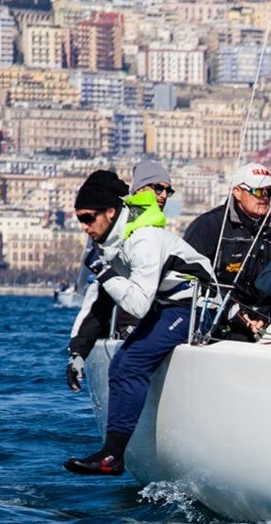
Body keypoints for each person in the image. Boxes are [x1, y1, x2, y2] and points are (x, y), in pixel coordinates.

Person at [63, 169, 215, 476]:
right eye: (79, 219)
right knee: (121, 364)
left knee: (129, 363)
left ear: (109, 212)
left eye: (88, 218)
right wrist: (77, 351)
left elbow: (137, 304)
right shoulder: (109, 242)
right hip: (169, 306)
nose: (84, 227)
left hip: (198, 306)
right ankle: (113, 453)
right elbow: (100, 301)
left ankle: (112, 456)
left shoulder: (143, 239)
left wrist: (104, 273)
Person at [66, 159, 175, 393]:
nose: (164, 195)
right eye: (158, 188)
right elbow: (98, 298)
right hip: (128, 332)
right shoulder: (121, 234)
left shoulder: (156, 231)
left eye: (168, 190)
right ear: (139, 191)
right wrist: (78, 350)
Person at [183, 162, 271, 341]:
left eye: (269, 192)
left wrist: (265, 315)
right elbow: (191, 276)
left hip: (261, 321)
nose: (264, 197)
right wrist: (234, 312)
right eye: (257, 191)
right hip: (215, 319)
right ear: (237, 192)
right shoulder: (210, 225)